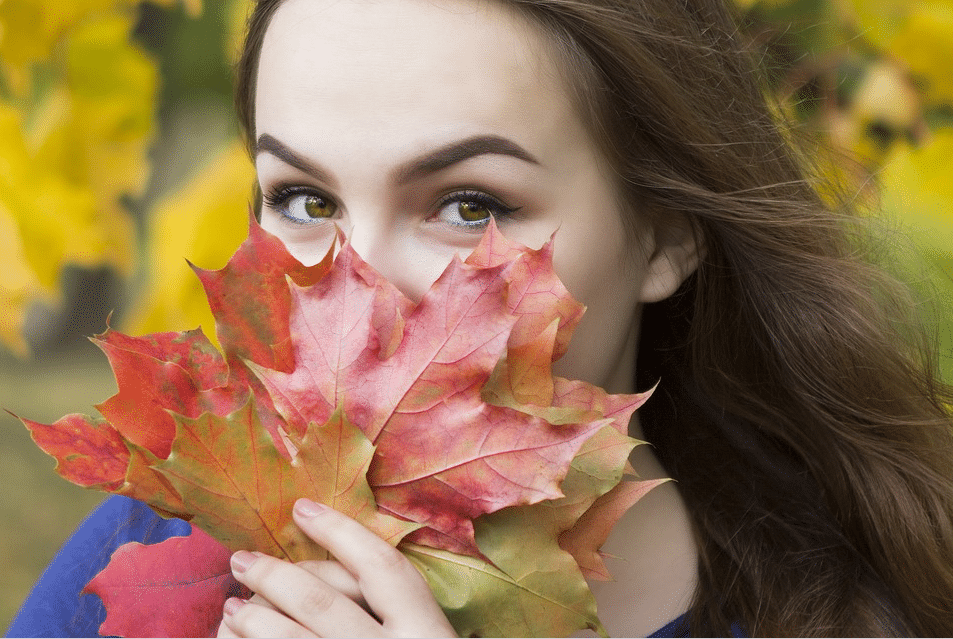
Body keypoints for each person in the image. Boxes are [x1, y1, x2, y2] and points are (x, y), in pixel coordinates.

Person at [9, 0, 953, 635]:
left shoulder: (869, 606)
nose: (358, 284)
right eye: (304, 199)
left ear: (666, 235)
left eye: (468, 205)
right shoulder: (159, 545)